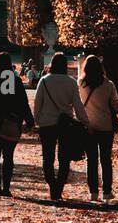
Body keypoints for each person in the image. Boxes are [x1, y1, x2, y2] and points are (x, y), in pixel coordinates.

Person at [33, 52, 90, 201]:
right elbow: (78, 105)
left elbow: (38, 103)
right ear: (65, 66)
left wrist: (36, 120)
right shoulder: (71, 82)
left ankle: (52, 184)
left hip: (47, 123)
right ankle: (59, 186)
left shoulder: (44, 81)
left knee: (48, 157)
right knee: (64, 158)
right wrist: (85, 122)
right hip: (66, 124)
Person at [0, 51, 33, 198]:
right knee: (8, 156)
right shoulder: (15, 81)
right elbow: (23, 103)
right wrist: (29, 121)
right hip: (12, 123)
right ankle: (6, 186)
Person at [78, 54, 118, 200]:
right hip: (105, 126)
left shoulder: (81, 84)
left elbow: (77, 104)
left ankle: (93, 192)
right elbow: (116, 106)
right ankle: (107, 191)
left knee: (91, 160)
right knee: (105, 159)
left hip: (88, 126)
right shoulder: (108, 85)